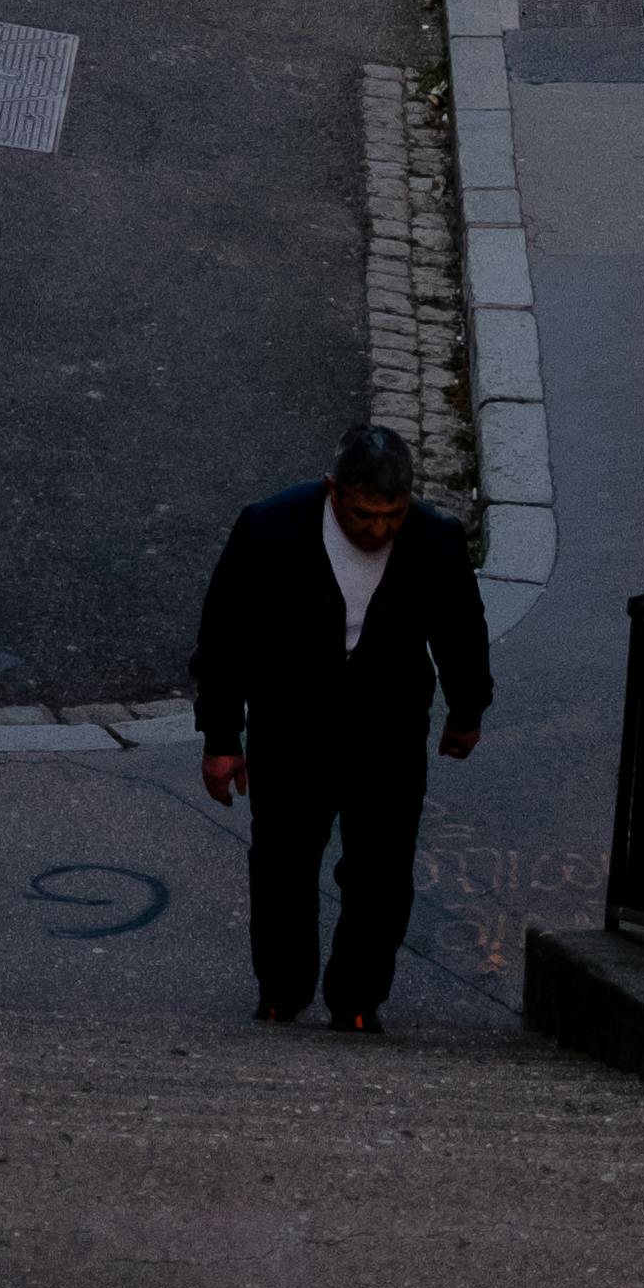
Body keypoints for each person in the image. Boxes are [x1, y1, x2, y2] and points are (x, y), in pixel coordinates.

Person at [192, 421, 492, 1030]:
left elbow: (461, 630)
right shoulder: (269, 527)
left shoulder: (435, 539)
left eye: (393, 515)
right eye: (364, 515)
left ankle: (357, 998)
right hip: (290, 727)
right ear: (334, 492)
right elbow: (225, 641)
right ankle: (282, 988)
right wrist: (221, 740)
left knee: (381, 872)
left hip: (388, 734)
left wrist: (467, 711)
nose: (379, 529)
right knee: (282, 865)